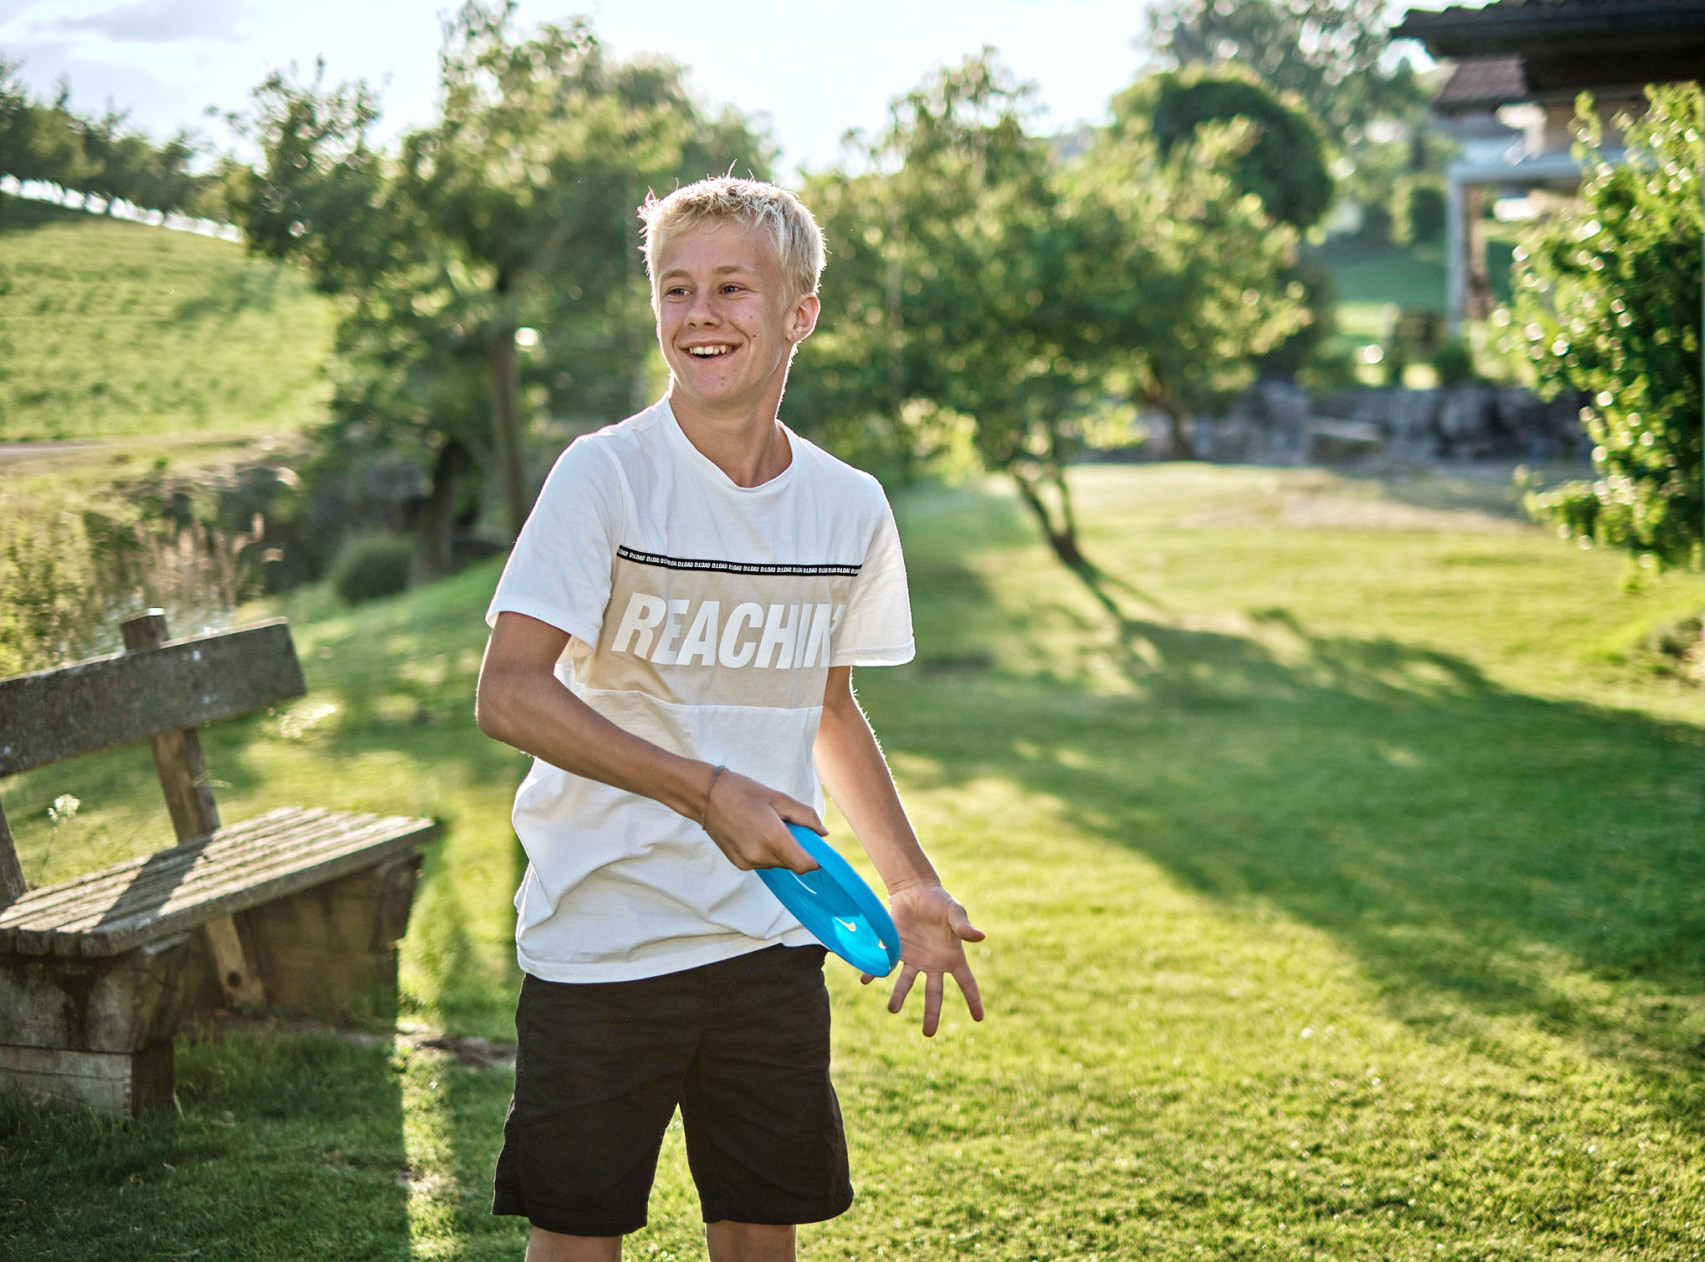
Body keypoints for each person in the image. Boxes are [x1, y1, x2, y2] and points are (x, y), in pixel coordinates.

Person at [474, 176, 985, 1262]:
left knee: (760, 1226)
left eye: (731, 288)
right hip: (600, 940)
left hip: (769, 935)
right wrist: (705, 790)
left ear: (799, 311)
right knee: (578, 1233)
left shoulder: (848, 504)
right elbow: (509, 690)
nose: (699, 313)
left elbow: (831, 709)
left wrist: (910, 879)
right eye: (676, 288)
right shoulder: (604, 474)